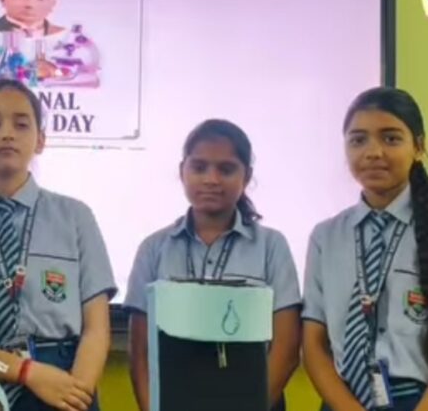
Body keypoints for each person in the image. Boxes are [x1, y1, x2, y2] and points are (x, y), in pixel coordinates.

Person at [0, 78, 116, 411]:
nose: (7, 133)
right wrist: (24, 371)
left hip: (64, 377)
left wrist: (76, 395)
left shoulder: (75, 217)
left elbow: (96, 328)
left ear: (41, 140)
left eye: (21, 124)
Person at [124, 119, 302, 411]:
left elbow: (287, 347)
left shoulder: (271, 246)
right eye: (199, 167)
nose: (211, 179)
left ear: (247, 176)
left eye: (226, 169)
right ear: (182, 171)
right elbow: (140, 353)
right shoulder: (154, 249)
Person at [302, 87, 428, 411]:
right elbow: (314, 344)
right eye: (358, 140)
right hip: (343, 400)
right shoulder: (326, 237)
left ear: (419, 146)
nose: (373, 152)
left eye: (391, 138)